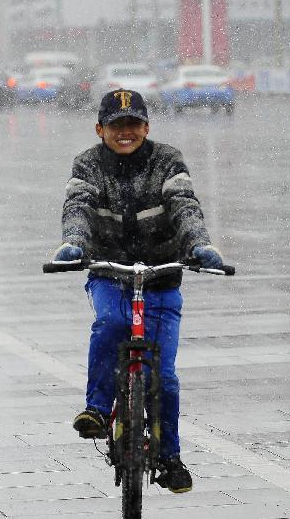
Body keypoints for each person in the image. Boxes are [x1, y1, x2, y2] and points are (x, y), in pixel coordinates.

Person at [52, 89, 225, 494]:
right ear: (100, 129)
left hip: (161, 278)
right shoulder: (88, 163)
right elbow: (77, 206)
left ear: (146, 127)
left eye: (133, 125)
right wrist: (74, 243)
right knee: (110, 322)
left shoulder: (168, 160)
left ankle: (170, 457)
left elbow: (185, 206)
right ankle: (97, 408)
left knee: (163, 377)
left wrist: (199, 245)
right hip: (109, 272)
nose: (125, 133)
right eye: (116, 126)